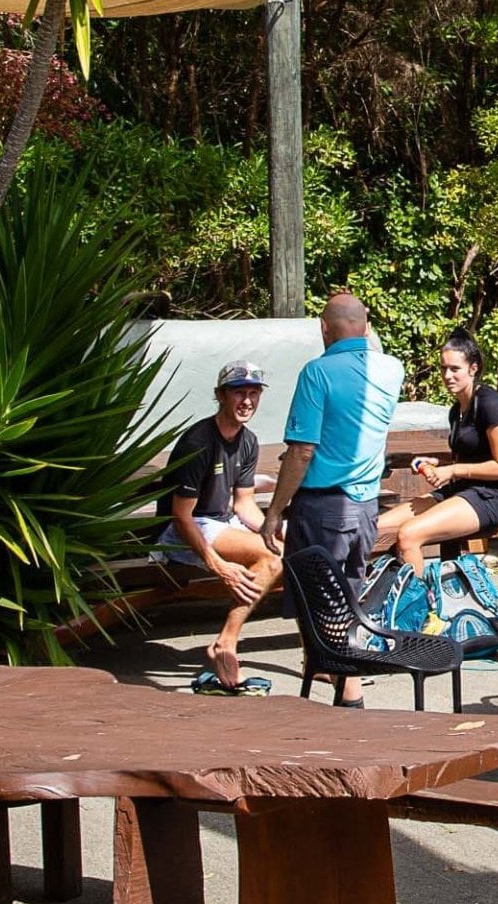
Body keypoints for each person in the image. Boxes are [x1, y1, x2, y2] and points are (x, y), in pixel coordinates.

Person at [262, 291, 405, 705]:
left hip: (323, 504)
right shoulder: (391, 370)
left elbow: (302, 451)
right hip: (364, 508)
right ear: (366, 326)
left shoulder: (317, 374)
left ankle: (350, 697)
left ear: (323, 329)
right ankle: (334, 685)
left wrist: (274, 511)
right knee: (348, 598)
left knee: (321, 606)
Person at [165, 361, 283, 695]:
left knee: (292, 553)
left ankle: (316, 660)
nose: (247, 401)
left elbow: (243, 504)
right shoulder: (198, 442)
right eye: (239, 393)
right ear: (220, 396)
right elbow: (181, 517)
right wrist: (219, 567)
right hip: (181, 530)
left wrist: (275, 529)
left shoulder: (248, 440)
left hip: (220, 521)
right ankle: (226, 643)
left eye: (254, 393)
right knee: (272, 560)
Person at [376, 332, 498, 571]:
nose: (447, 376)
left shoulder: (490, 404)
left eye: (454, 369)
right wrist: (436, 462)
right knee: (377, 526)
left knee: (409, 535)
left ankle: (421, 607)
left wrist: (451, 470)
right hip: (458, 490)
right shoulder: (456, 410)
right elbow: (469, 454)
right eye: (443, 369)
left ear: (473, 368)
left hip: (490, 496)